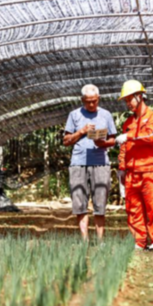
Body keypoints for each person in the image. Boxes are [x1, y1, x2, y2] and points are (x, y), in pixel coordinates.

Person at [113, 80, 153, 250]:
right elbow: (124, 149)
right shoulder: (127, 123)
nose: (128, 104)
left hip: (149, 170)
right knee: (133, 210)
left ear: (140, 96)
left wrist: (128, 138)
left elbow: (151, 136)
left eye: (130, 99)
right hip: (131, 173)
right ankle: (139, 241)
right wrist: (121, 168)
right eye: (126, 100)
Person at [63, 84, 117, 242]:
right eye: (88, 102)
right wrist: (81, 131)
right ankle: (84, 240)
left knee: (100, 202)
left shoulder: (106, 115)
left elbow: (113, 139)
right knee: (79, 202)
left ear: (98, 99)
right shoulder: (74, 115)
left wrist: (103, 143)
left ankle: (100, 241)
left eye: (94, 101)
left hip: (100, 162)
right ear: (82, 100)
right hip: (78, 163)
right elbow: (66, 141)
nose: (91, 104)